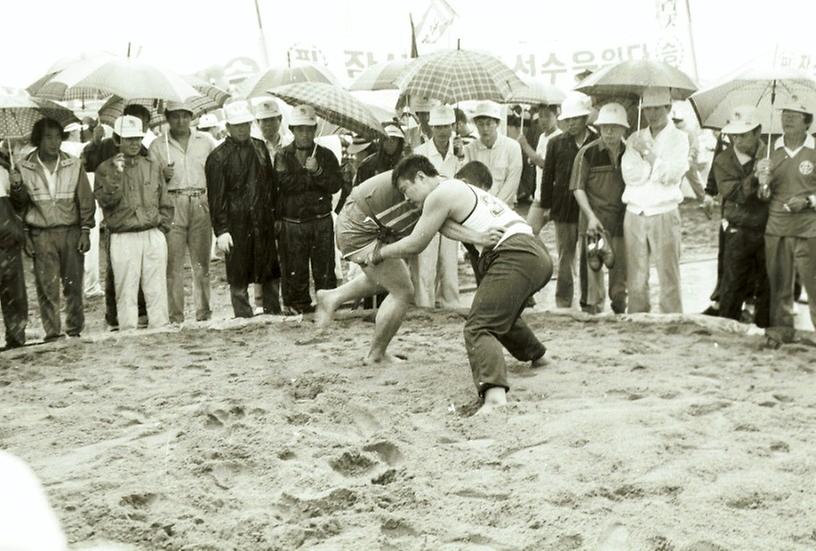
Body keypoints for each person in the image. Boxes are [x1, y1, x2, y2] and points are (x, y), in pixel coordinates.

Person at [367, 155, 553, 414]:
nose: (407, 199)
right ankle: (539, 356)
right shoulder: (455, 189)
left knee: (479, 326)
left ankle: (496, 399)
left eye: (405, 190)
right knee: (495, 310)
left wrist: (379, 252)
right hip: (533, 251)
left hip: (516, 254)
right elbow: (447, 228)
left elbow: (415, 244)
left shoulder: (439, 195)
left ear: (420, 177)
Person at [315, 168, 502, 364]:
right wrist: (478, 237)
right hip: (358, 226)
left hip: (360, 220)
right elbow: (429, 234)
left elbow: (442, 223)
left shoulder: (435, 186)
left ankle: (332, 297)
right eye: (475, 193)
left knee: (385, 277)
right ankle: (376, 355)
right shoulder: (439, 190)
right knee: (402, 290)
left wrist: (478, 237)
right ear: (463, 182)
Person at [10, 118, 94, 340]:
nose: (54, 142)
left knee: (74, 285)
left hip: (71, 231)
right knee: (47, 287)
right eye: (48, 137)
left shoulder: (74, 164)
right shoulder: (22, 167)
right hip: (41, 233)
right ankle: (52, 332)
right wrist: (17, 186)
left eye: (58, 137)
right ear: (38, 139)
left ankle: (75, 329)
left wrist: (85, 230)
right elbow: (19, 206)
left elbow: (85, 199)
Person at [94, 115, 173, 330]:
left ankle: (160, 330)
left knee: (156, 287)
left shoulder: (152, 166)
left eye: (137, 138)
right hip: (123, 235)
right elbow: (106, 201)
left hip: (152, 232)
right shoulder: (105, 169)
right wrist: (116, 175)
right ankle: (128, 331)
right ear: (117, 140)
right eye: (128, 139)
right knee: (126, 288)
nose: (134, 143)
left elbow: (165, 200)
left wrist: (162, 227)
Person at [206, 100, 281, 318]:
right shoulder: (217, 157)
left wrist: (275, 215)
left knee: (269, 269)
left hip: (263, 218)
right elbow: (216, 197)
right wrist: (221, 230)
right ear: (227, 127)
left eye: (246, 124)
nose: (242, 129)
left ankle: (273, 312)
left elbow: (270, 184)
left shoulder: (259, 147)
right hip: (236, 223)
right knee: (238, 274)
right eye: (237, 125)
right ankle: (242, 315)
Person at [621, 87, 689, 314]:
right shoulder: (635, 137)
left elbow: (672, 175)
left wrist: (648, 156)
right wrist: (651, 166)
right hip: (635, 211)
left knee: (668, 272)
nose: (651, 114)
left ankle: (672, 319)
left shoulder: (679, 138)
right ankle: (638, 317)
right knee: (636, 274)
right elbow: (629, 174)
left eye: (656, 108)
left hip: (664, 211)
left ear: (668, 108)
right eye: (647, 108)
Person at [148, 101, 216, 324]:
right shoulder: (158, 145)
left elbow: (216, 173)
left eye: (185, 116)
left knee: (201, 265)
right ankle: (175, 316)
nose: (181, 121)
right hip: (173, 202)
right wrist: (161, 174)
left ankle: (203, 313)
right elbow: (150, 182)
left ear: (192, 117)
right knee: (173, 266)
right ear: (167, 118)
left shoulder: (205, 142)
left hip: (199, 200)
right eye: (175, 116)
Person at [758, 97, 816, 342]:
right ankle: (783, 332)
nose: (787, 118)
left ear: (808, 121)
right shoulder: (770, 149)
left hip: (808, 227)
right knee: (779, 285)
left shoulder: (814, 150)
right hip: (776, 226)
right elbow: (763, 196)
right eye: (785, 113)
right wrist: (763, 182)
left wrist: (808, 201)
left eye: (795, 114)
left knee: (813, 286)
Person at [274, 105, 341, 314]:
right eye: (300, 129)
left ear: (315, 130)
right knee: (295, 271)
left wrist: (319, 170)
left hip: (321, 221)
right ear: (293, 130)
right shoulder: (282, 156)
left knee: (325, 270)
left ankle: (327, 306)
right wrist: (309, 173)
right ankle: (298, 308)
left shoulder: (326, 155)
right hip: (294, 224)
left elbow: (335, 185)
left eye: (309, 129)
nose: (305, 134)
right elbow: (285, 183)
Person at [713, 106, 769, 328]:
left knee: (766, 284)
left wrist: (768, 178)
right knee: (732, 284)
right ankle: (726, 329)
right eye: (734, 134)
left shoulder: (771, 154)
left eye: (743, 134)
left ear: (758, 132)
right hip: (738, 230)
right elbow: (734, 193)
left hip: (766, 228)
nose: (737, 139)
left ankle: (765, 330)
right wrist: (755, 177)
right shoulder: (723, 160)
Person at [570, 103, 629, 314]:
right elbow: (577, 188)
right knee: (592, 268)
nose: (610, 132)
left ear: (624, 129)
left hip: (621, 220)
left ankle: (620, 308)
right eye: (605, 127)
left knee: (619, 269)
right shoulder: (587, 153)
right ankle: (591, 309)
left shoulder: (631, 153)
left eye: (615, 127)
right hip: (592, 220)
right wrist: (591, 217)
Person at [541, 93, 596, 309]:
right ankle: (563, 301)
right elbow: (548, 177)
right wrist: (546, 205)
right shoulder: (555, 143)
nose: (572, 123)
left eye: (576, 118)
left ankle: (589, 300)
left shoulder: (597, 141)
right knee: (565, 256)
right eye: (568, 119)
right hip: (563, 208)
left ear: (585, 118)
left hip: (589, 207)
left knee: (590, 254)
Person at [411, 105, 461, 308]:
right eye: (438, 127)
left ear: (452, 127)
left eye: (446, 126)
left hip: (451, 215)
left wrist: (462, 157)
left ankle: (451, 306)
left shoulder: (460, 151)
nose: (442, 131)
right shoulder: (420, 152)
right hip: (427, 214)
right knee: (426, 266)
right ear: (431, 128)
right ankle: (426, 307)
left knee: (449, 265)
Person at [464, 100, 523, 207]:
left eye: (489, 123)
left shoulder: (512, 147)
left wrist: (495, 206)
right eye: (480, 124)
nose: (485, 129)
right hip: (478, 207)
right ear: (476, 125)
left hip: (504, 208)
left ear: (497, 124)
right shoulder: (469, 149)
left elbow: (512, 182)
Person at [519, 104, 562, 236]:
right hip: (540, 194)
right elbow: (538, 160)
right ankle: (540, 255)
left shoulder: (560, 138)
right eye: (541, 116)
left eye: (548, 116)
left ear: (556, 116)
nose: (543, 120)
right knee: (529, 232)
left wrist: (525, 146)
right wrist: (531, 159)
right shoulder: (542, 136)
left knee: (562, 239)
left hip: (555, 196)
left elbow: (545, 164)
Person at [0, 158, 27, 349]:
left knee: (14, 292)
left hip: (8, 240)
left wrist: (17, 185)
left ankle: (16, 337)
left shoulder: (4, 169)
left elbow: (20, 204)